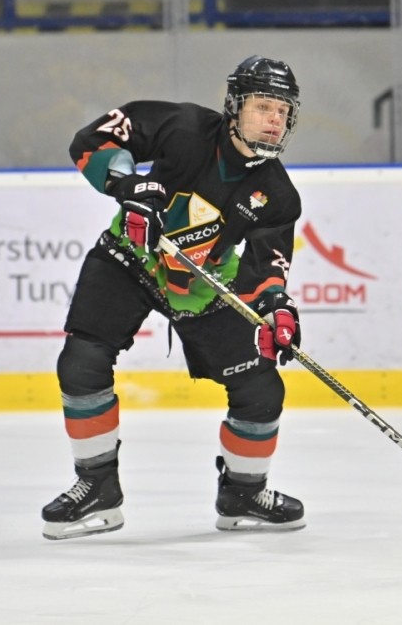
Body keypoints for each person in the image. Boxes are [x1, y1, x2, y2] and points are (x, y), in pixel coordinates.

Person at [41, 55, 306, 540]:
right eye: (263, 106)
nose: (274, 120)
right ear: (234, 106)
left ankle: (243, 493)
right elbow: (93, 141)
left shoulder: (277, 193)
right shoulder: (182, 128)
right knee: (82, 361)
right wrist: (130, 187)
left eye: (282, 111)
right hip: (130, 259)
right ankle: (97, 488)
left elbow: (267, 267)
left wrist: (276, 307)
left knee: (261, 390)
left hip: (201, 286)